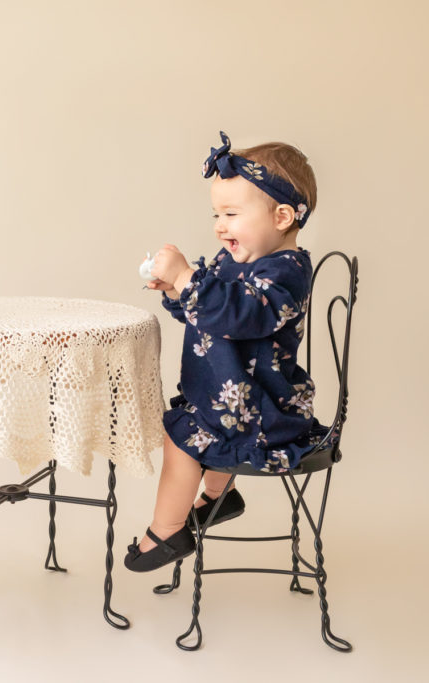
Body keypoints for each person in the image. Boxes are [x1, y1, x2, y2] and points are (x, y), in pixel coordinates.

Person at [125, 132, 327, 572]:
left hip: (261, 410)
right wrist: (178, 290)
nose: (220, 225)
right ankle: (219, 496)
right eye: (217, 213)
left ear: (282, 216)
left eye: (232, 214)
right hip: (231, 400)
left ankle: (166, 531)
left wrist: (188, 278)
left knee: (183, 440)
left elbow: (241, 316)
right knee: (203, 424)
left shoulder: (286, 273)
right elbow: (207, 313)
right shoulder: (232, 260)